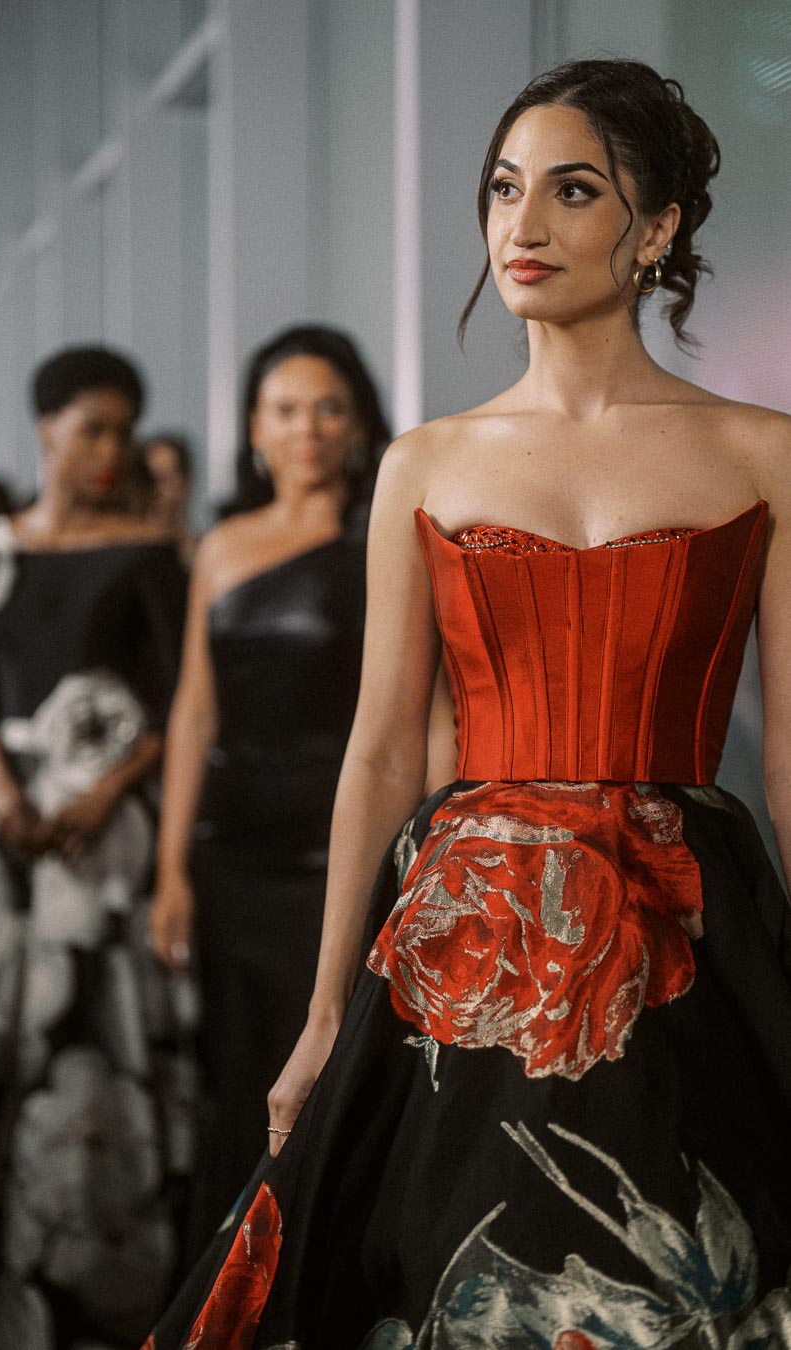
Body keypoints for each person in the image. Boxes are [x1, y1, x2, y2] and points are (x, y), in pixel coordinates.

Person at [146, 59, 791, 1348]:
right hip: (462, 945)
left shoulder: (761, 452)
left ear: (656, 229)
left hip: (689, 938)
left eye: (572, 191)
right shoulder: (424, 463)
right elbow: (383, 751)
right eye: (503, 191)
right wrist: (327, 1014)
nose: (523, 227)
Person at [0, 347, 192, 1349]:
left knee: (97, 1037)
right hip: (6, 830)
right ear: (46, 428)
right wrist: (2, 791)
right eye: (92, 427)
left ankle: (95, 1277)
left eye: (122, 430)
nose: (109, 449)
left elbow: (177, 699)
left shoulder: (150, 551)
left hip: (108, 837)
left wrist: (107, 790)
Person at [149, 326, 390, 1256]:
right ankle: (237, 1281)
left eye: (329, 408)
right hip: (234, 855)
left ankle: (327, 1274)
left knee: (334, 1072)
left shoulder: (381, 538)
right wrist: (172, 868)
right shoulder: (220, 546)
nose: (308, 429)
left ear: (360, 422)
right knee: (238, 1073)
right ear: (254, 426)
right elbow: (193, 717)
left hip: (341, 849)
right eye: (286, 409)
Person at [139, 434, 198, 565]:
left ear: (185, 483)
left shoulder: (205, 555)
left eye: (164, 479)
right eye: (147, 481)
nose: (156, 491)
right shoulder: (129, 555)